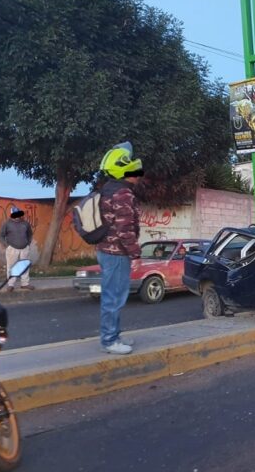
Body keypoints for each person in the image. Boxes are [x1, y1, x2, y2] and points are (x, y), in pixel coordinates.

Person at [96, 142, 144, 355]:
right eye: (134, 170)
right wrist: (135, 254)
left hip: (107, 250)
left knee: (113, 296)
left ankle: (114, 335)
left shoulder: (108, 189)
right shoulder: (123, 194)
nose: (138, 174)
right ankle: (109, 340)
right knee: (114, 297)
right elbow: (125, 229)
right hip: (116, 253)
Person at [0, 206, 34, 292]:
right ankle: (11, 284)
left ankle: (25, 283)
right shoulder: (7, 224)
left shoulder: (25, 223)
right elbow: (0, 236)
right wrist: (7, 245)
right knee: (11, 267)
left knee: (25, 266)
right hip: (12, 249)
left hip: (24, 248)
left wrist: (28, 244)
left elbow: (30, 234)